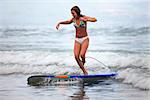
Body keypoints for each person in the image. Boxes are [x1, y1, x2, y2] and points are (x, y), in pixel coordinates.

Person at [56, 6, 97, 75]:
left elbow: (95, 19)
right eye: (71, 13)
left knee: (82, 55)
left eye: (73, 13)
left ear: (77, 12)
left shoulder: (83, 17)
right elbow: (68, 22)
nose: (72, 14)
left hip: (85, 39)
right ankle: (84, 71)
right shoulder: (73, 19)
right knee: (76, 56)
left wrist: (87, 20)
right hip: (77, 40)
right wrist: (59, 23)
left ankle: (83, 60)